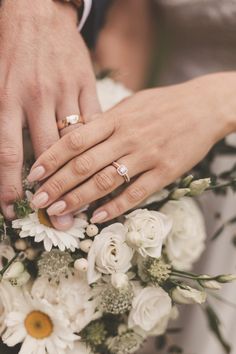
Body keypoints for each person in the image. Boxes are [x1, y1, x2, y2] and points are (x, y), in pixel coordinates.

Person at [26, 1, 236, 353]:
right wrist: (102, 125)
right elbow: (130, 22)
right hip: (162, 148)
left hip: (196, 119)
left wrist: (217, 104)